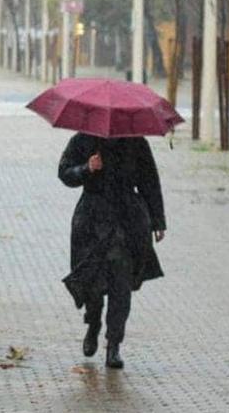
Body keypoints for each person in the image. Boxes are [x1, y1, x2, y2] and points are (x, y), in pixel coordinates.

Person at [58, 133, 166, 369]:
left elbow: (149, 181)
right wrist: (87, 168)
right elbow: (64, 173)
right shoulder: (83, 140)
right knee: (91, 282)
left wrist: (158, 221)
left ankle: (114, 344)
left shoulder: (137, 143)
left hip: (127, 221)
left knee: (121, 285)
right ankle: (93, 322)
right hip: (91, 220)